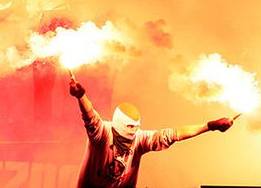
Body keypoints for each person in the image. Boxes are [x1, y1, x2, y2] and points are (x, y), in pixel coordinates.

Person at [69, 78, 234, 188]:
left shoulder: (140, 138)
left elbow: (176, 134)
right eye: (130, 128)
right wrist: (81, 96)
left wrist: (210, 125)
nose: (134, 132)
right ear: (117, 127)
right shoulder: (102, 133)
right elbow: (89, 115)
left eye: (136, 128)